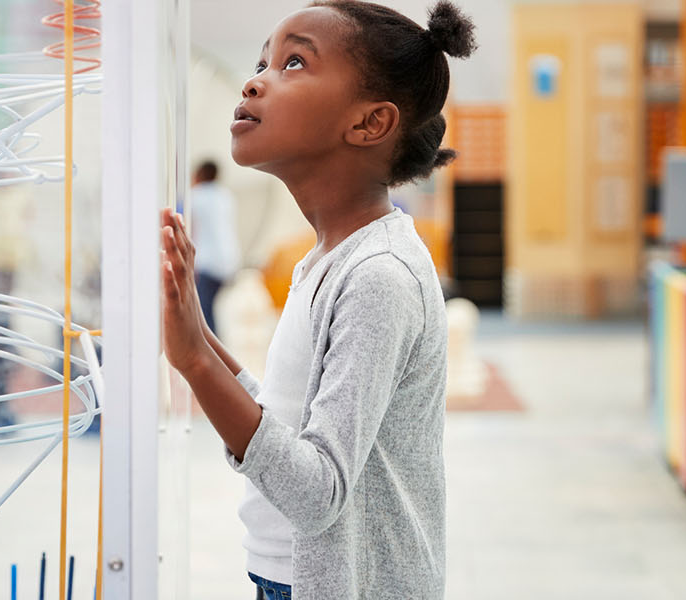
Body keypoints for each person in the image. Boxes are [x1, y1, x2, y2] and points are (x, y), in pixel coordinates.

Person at [159, 2, 474, 598]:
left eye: (294, 61)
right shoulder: (331, 258)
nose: (255, 79)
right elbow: (288, 424)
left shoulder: (379, 276)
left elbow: (317, 492)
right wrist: (196, 336)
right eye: (262, 62)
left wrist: (195, 365)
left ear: (369, 124)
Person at [188, 159, 242, 335]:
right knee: (212, 310)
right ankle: (217, 347)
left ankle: (213, 352)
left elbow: (191, 231)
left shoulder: (196, 197)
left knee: (204, 314)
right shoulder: (225, 196)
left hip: (207, 262)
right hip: (229, 260)